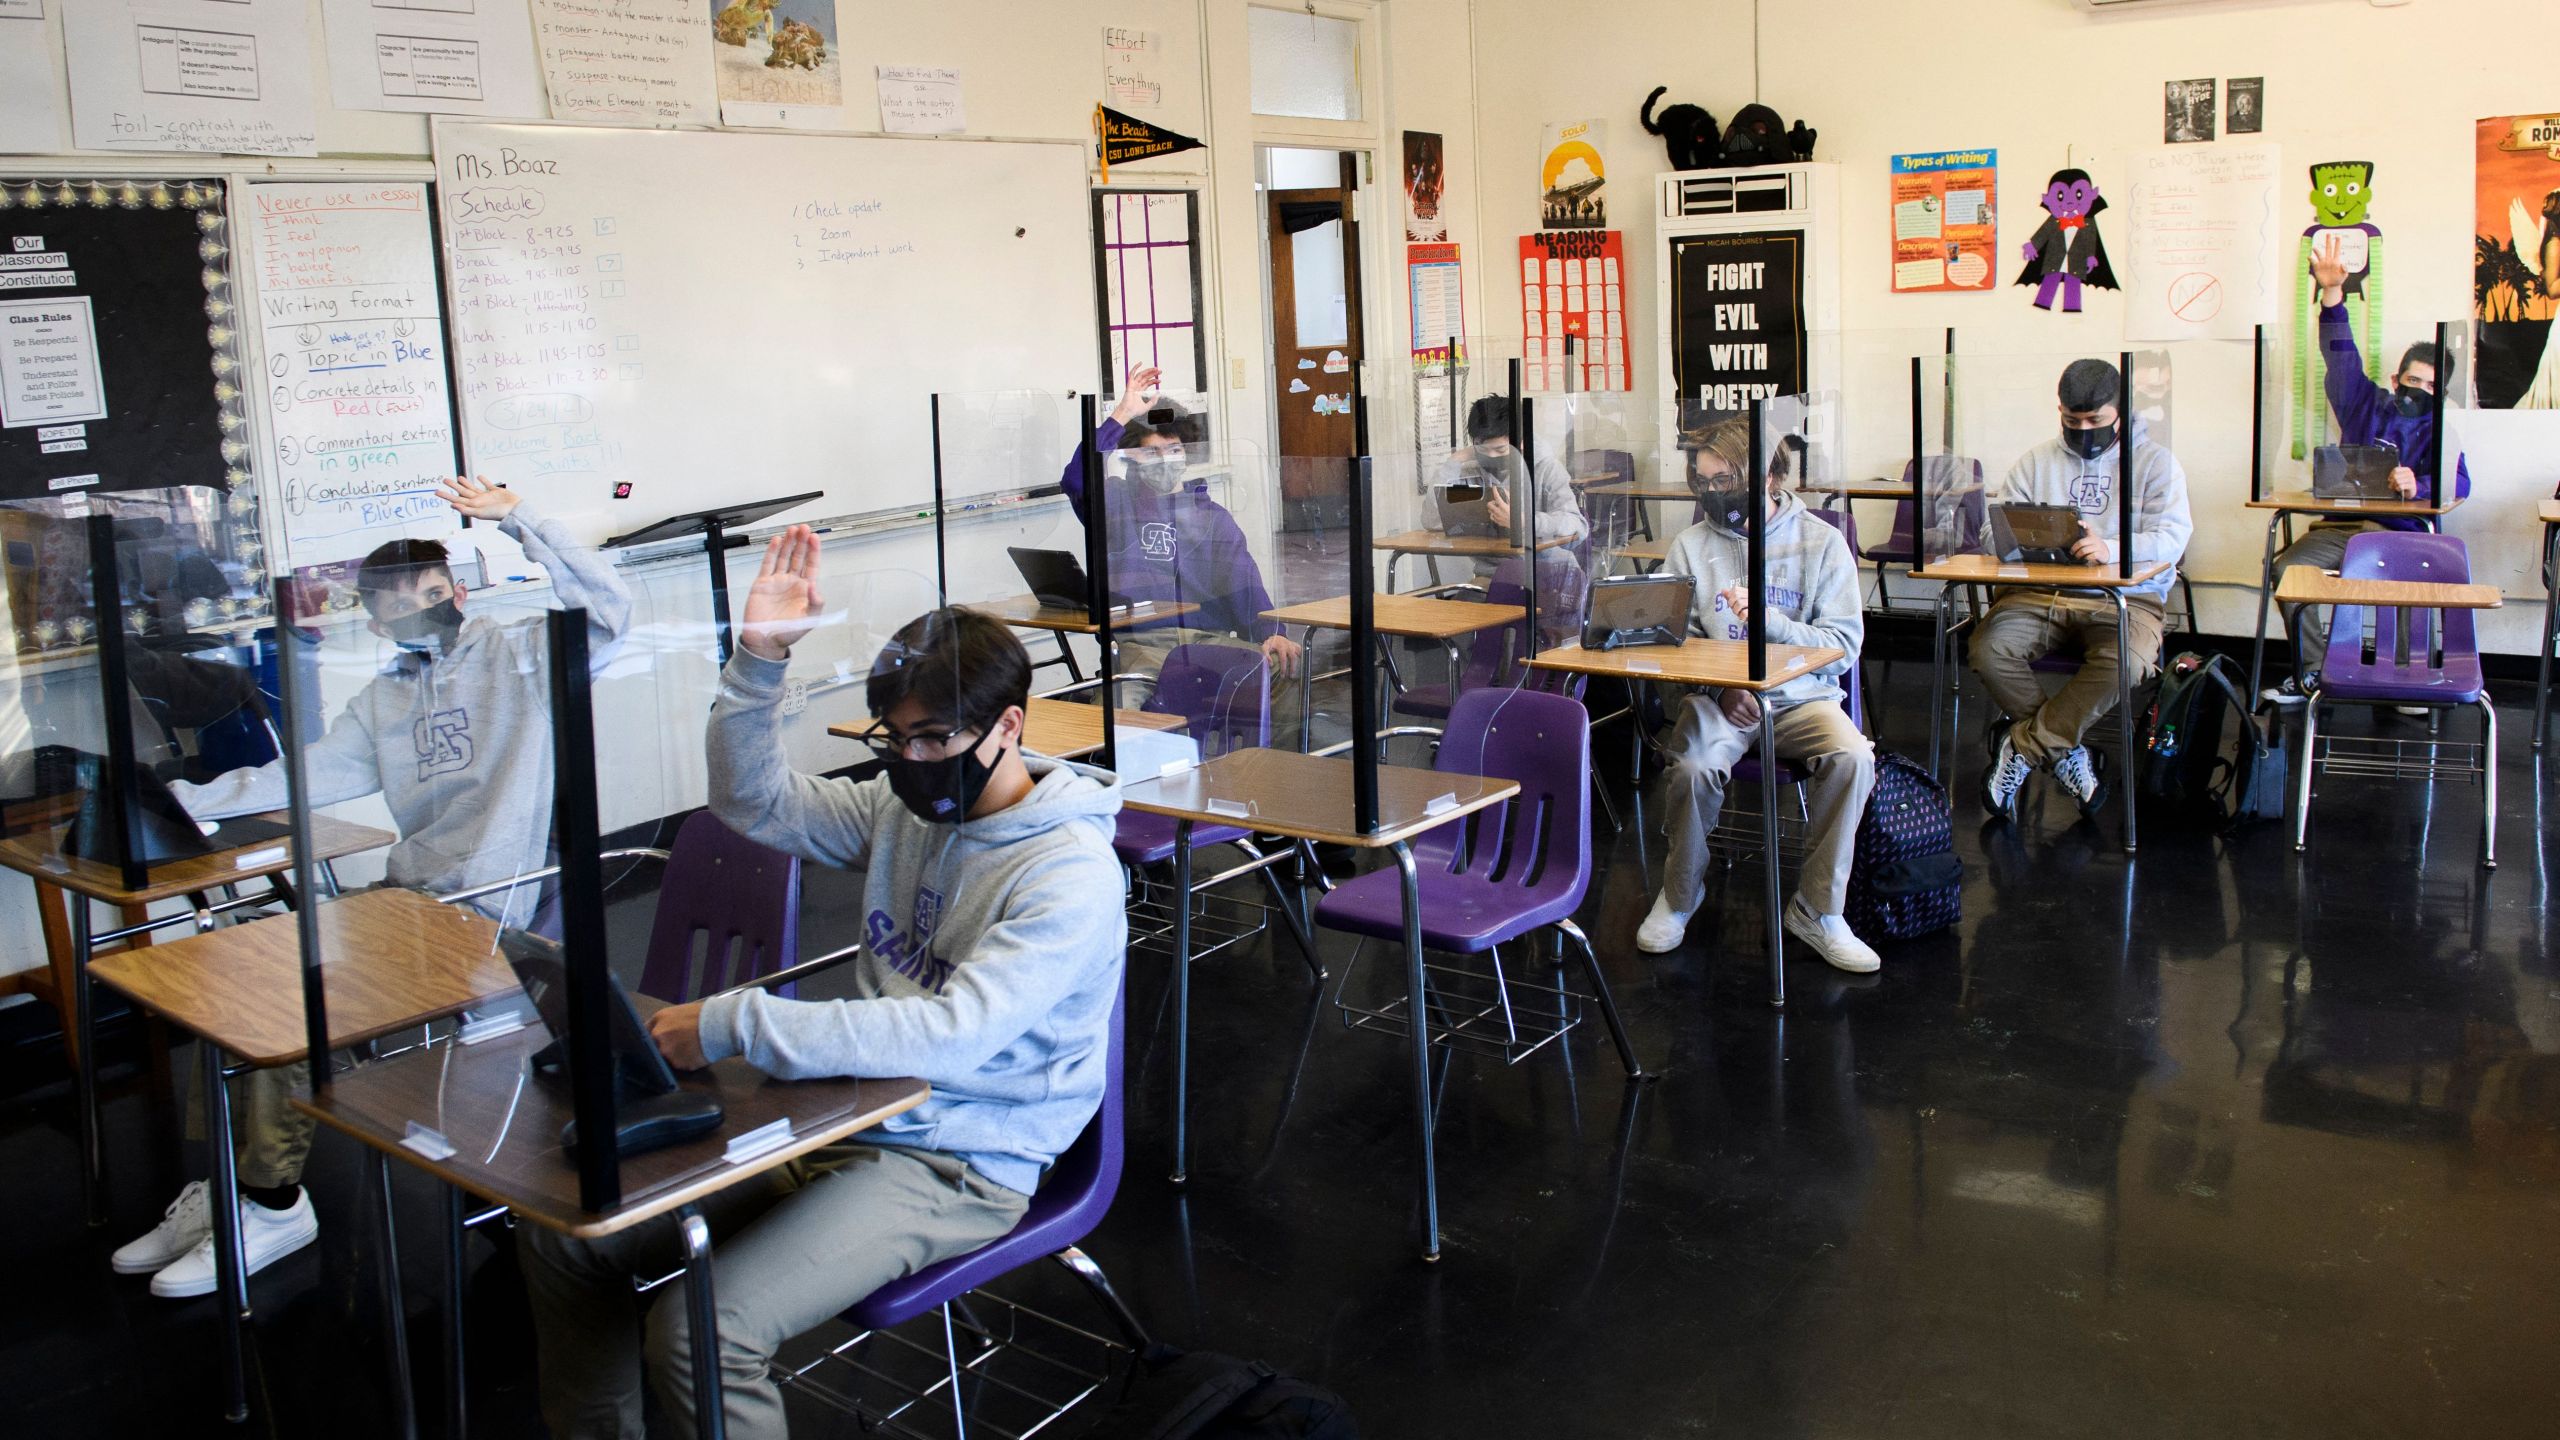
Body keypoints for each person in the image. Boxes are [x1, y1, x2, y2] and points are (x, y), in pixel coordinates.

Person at [517, 535, 1125, 1440]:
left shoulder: (1066, 872)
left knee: (702, 1334)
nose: (913, 761)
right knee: (573, 1234)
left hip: (959, 1155)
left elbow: (954, 1035)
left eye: (936, 738)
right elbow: (753, 803)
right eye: (898, 738)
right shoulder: (901, 810)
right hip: (845, 1108)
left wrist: (735, 1023)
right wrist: (760, 660)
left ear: (1010, 726)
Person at [111, 476, 629, 1299]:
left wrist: (521, 518)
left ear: (455, 591)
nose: (408, 616)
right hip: (405, 905)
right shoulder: (385, 696)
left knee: (294, 993)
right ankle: (232, 1183)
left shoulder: (520, 654)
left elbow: (610, 610)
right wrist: (179, 801)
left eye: (425, 597)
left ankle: (271, 1202)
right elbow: (304, 775)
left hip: (489, 914)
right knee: (239, 975)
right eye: (388, 607)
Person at [1637, 415, 1879, 974]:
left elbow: (1844, 645)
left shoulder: (1822, 543)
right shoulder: (1690, 546)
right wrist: (1719, 689)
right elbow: (1670, 643)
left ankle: (1819, 910)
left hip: (1800, 698)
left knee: (1852, 757)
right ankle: (1679, 895)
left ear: (1769, 475)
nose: (1711, 493)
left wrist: (1778, 628)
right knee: (1693, 767)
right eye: (1702, 481)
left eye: (1724, 481)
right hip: (1718, 702)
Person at [1974, 358, 2192, 822]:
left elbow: (2173, 537)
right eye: (2073, 422)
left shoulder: (2155, 464)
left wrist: (2109, 547)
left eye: (2095, 421)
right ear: (2060, 411)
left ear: (2120, 410)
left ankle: (2027, 745)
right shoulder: (2035, 462)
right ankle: (2066, 752)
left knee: (2127, 662)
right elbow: (1992, 534)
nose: (2084, 430)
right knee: (1989, 648)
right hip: (2040, 596)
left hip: (2126, 600)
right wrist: (2025, 539)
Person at [2265, 233, 2474, 704]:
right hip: (2344, 529)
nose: (2418, 389)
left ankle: (2403, 676)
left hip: (2401, 533)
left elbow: (2459, 482)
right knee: (2288, 570)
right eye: (2413, 379)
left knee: (2404, 581)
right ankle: (2314, 671)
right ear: (2397, 377)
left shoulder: (2439, 427)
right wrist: (2333, 294)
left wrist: (2417, 482)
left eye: (2430, 385)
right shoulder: (2366, 404)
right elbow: (2340, 359)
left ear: (2440, 394)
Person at [1061, 365, 1303, 701]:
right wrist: (1124, 413)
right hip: (1139, 646)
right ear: (1132, 457)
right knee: (1117, 716)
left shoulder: (1212, 518)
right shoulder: (1116, 504)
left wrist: (1273, 633)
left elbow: (1244, 584)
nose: (1165, 460)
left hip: (1205, 642)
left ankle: (1254, 754)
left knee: (1278, 665)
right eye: (1151, 452)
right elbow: (1076, 479)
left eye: (1173, 450)